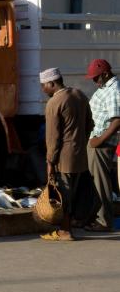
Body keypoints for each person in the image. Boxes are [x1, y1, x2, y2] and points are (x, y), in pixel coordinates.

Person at [38, 68, 94, 241]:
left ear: (52, 83)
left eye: (44, 86)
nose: (43, 90)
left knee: (64, 194)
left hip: (64, 156)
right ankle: (69, 226)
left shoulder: (55, 103)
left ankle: (65, 230)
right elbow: (90, 124)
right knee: (75, 192)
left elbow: (53, 137)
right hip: (80, 154)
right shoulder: (80, 95)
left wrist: (50, 161)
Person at [84, 59, 120, 232]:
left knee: (100, 182)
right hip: (96, 140)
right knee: (94, 181)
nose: (94, 81)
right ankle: (95, 217)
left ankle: (104, 221)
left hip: (101, 144)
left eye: (96, 78)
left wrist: (99, 140)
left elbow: (117, 120)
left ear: (105, 74)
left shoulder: (114, 90)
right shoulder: (105, 88)